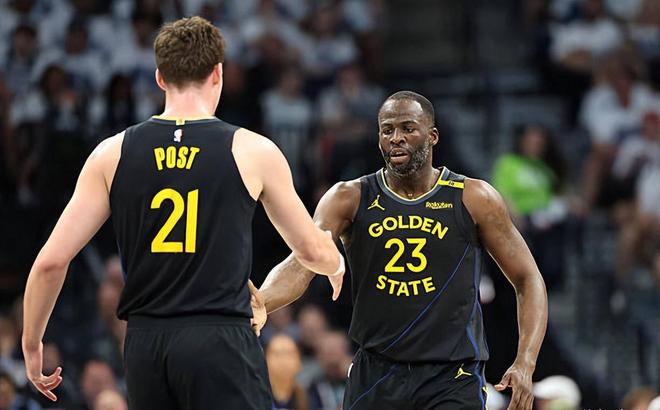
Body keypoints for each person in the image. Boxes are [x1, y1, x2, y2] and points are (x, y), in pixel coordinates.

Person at [21, 16, 344, 410]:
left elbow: (51, 262)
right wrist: (335, 263)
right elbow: (309, 250)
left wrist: (32, 343)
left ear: (160, 78)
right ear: (218, 73)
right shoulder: (251, 149)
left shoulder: (112, 153)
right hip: (218, 337)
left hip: (145, 344)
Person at [256, 91, 548, 409]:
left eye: (408, 128)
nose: (396, 138)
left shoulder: (473, 197)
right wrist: (259, 302)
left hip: (451, 376)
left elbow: (528, 278)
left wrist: (526, 361)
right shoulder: (348, 197)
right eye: (387, 130)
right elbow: (301, 263)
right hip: (376, 373)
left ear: (432, 136)